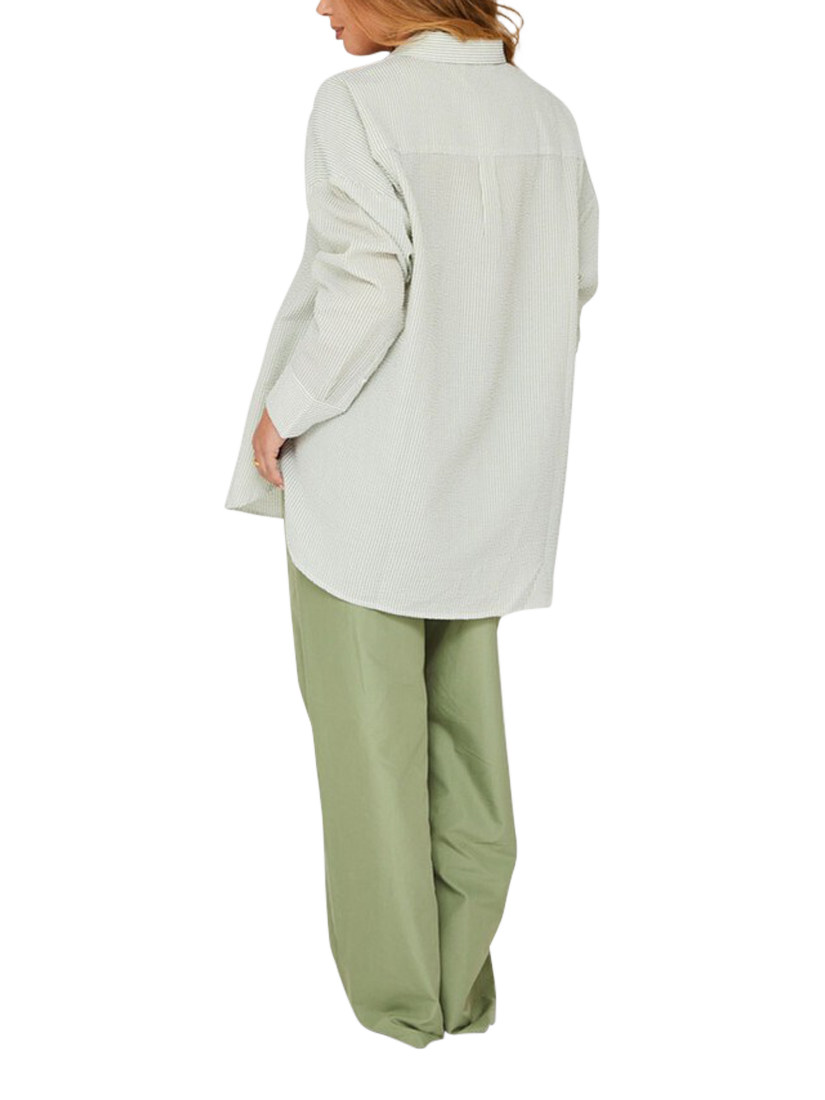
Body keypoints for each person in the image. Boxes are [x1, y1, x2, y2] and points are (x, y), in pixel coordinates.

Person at [224, 0, 599, 1050]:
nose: (319, 8)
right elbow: (573, 284)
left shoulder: (359, 104)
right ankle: (461, 985)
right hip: (488, 480)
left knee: (370, 750)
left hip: (367, 480)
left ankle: (400, 1001)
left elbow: (365, 288)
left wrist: (283, 411)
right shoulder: (546, 115)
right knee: (466, 736)